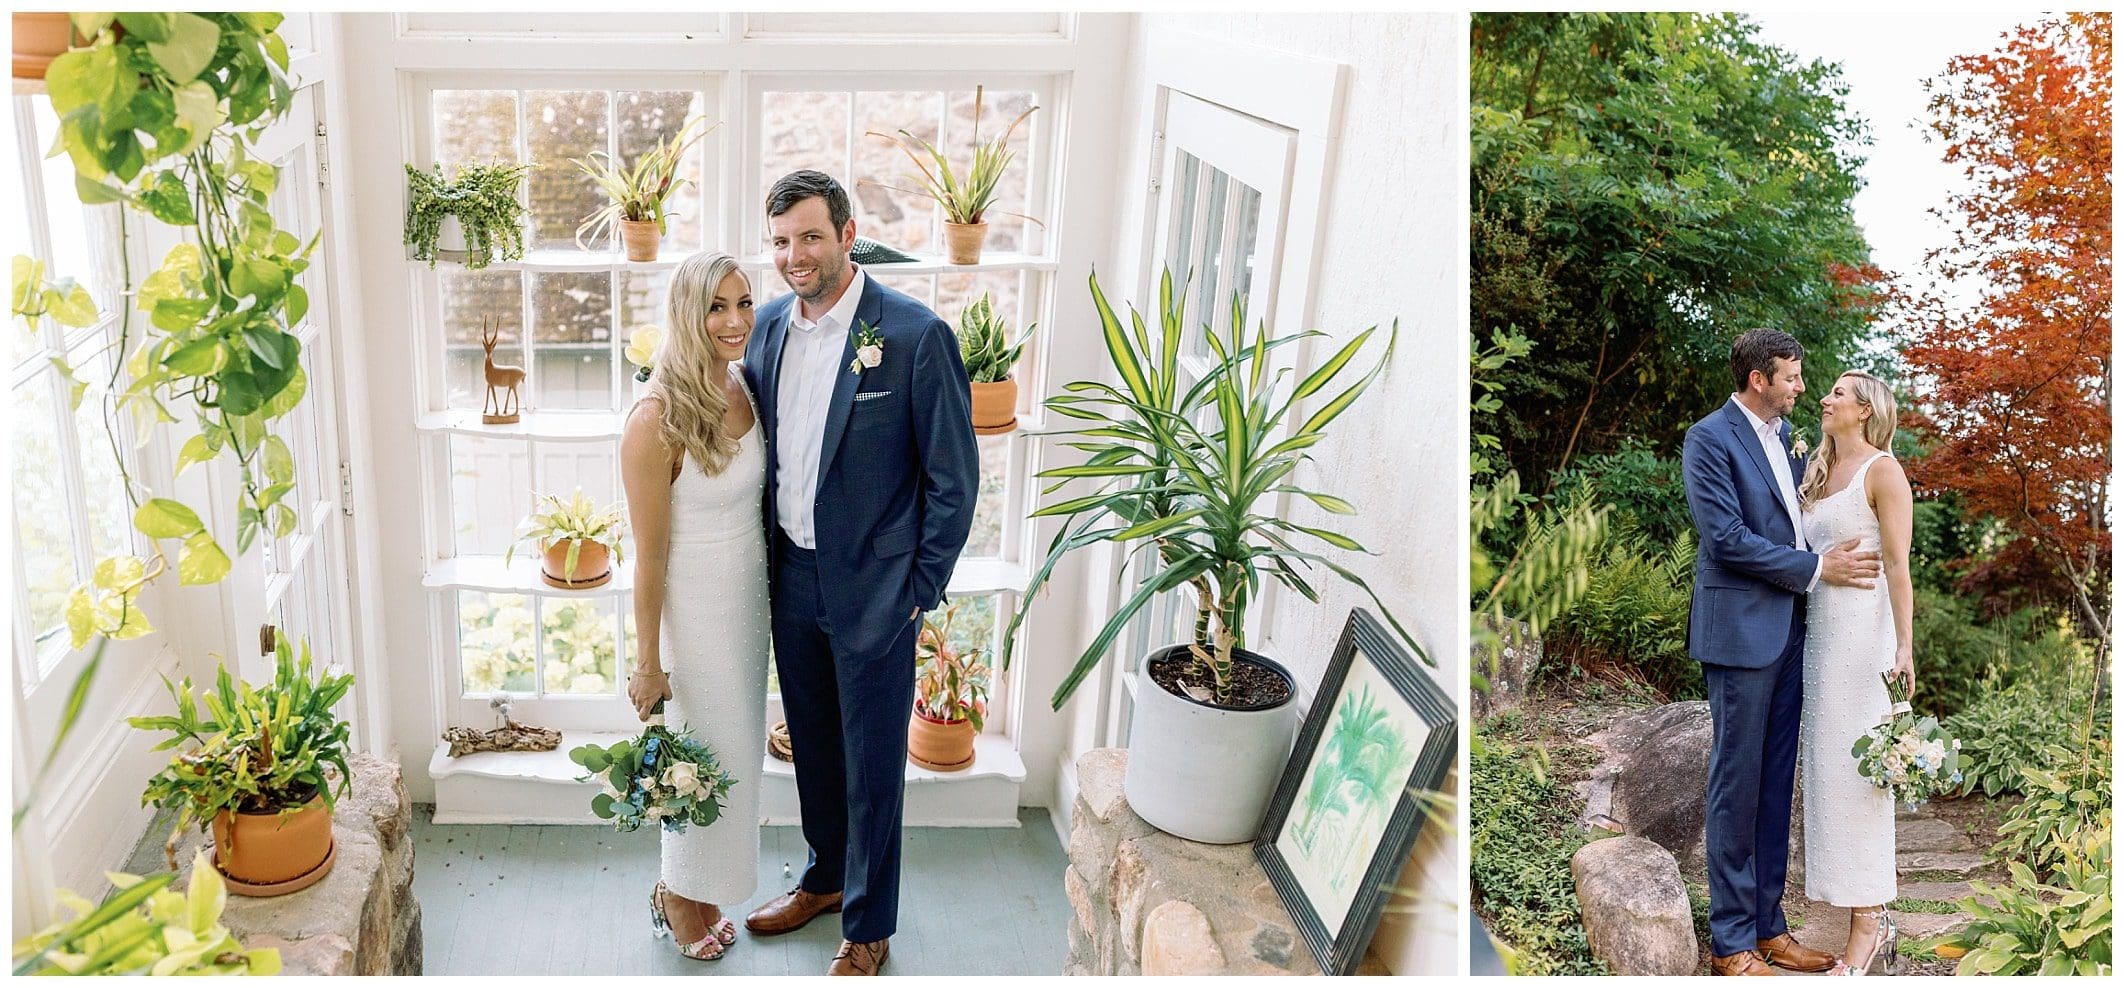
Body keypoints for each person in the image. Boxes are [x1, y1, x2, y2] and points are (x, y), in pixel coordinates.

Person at [740, 170, 980, 976]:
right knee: (811, 743)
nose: (793, 256)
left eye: (810, 237)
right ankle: (824, 880)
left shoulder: (913, 336)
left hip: (879, 591)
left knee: (874, 760)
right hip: (792, 578)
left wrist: (919, 592)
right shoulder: (768, 328)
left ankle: (870, 921)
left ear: (848, 235)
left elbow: (955, 479)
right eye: (780, 241)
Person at [1680, 328, 1882, 977]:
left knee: (1772, 786)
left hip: (1791, 632)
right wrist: (1816, 568)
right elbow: (1728, 539)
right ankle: (1731, 943)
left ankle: (1770, 929)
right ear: (1758, 379)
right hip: (1740, 633)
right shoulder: (1710, 438)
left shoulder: (1791, 447)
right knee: (1736, 786)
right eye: (1791, 377)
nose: (1801, 386)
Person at [620, 251, 769, 962]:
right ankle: (676, 891)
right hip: (693, 615)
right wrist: (648, 662)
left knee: (735, 756)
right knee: (693, 757)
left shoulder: (743, 384)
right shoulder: (654, 419)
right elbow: (648, 558)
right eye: (716, 306)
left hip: (749, 608)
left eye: (743, 302)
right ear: (687, 313)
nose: (735, 320)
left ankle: (703, 883)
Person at [1798, 370, 1914, 976]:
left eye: (1839, 393)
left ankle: (1866, 933)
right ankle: (1858, 909)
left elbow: (1898, 564)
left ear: (1865, 410)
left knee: (1861, 783)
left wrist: (1905, 650)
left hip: (1865, 648)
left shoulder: (1884, 472)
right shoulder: (1816, 473)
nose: (1825, 397)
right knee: (1827, 783)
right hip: (1818, 648)